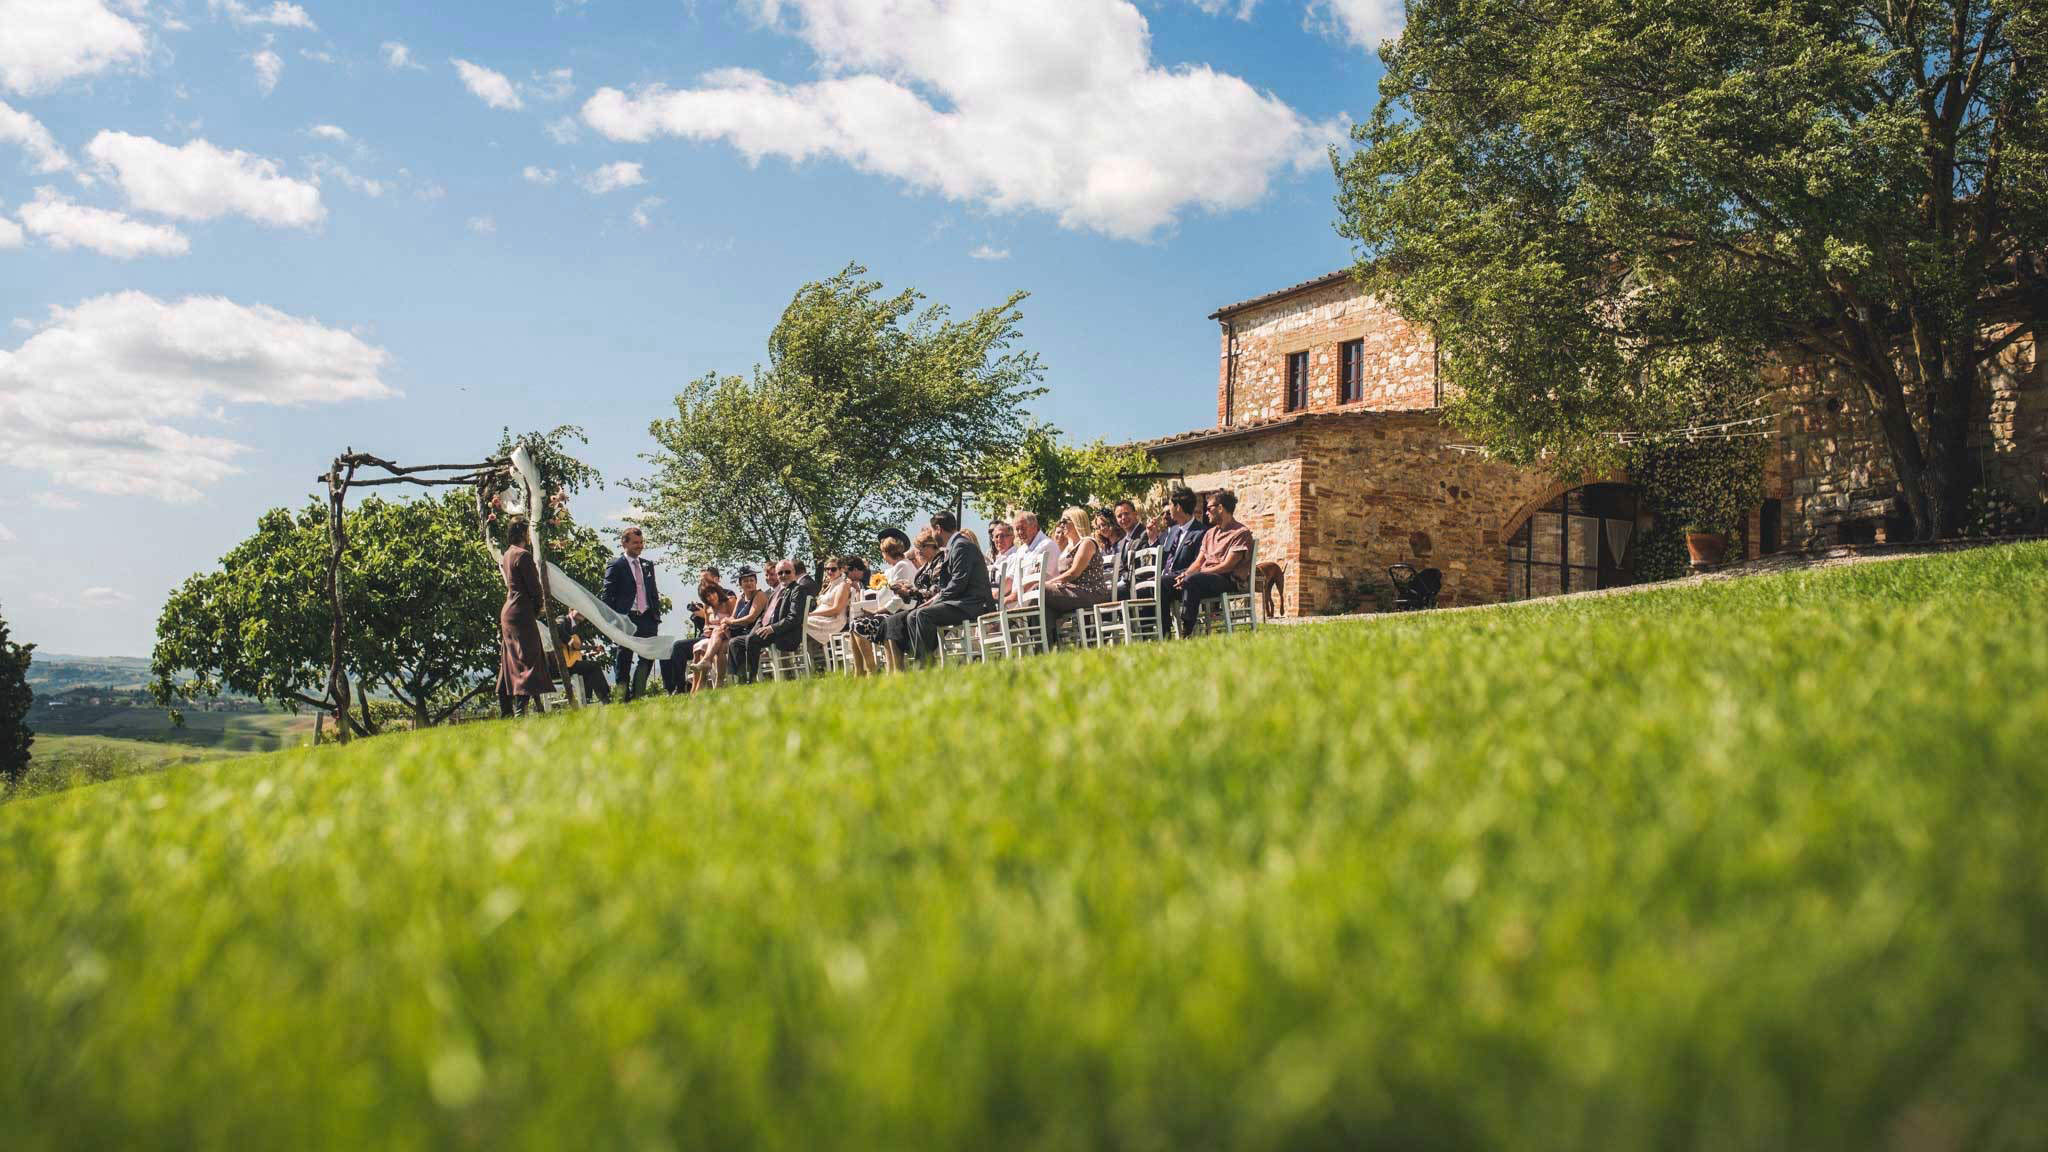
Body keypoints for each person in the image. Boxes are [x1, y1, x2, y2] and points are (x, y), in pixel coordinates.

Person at [907, 510, 997, 662]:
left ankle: (924, 665)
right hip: (960, 602)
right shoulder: (955, 545)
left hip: (973, 604)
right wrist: (936, 598)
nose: (933, 535)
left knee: (923, 615)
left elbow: (958, 583)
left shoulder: (962, 546)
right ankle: (924, 660)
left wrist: (936, 600)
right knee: (912, 616)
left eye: (933, 531)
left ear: (938, 529)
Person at [1174, 489, 1254, 637]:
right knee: (1166, 582)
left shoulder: (1241, 533)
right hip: (1205, 577)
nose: (1206, 513)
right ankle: (1163, 633)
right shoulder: (1210, 533)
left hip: (1227, 579)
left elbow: (1227, 566)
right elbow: (1198, 563)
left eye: (1209, 508)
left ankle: (1187, 631)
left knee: (1192, 580)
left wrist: (1193, 575)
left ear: (1220, 508)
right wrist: (1185, 574)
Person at [496, 518, 556, 716]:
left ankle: (506, 710)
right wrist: (538, 607)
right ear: (524, 533)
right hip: (521, 611)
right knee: (528, 658)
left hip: (508, 611)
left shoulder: (507, 554)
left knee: (510, 660)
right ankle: (520, 710)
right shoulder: (523, 555)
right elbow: (534, 588)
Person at [602, 526, 668, 701]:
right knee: (624, 657)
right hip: (626, 618)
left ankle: (638, 692)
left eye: (641, 543)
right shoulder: (615, 565)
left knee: (648, 656)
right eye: (635, 543)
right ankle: (623, 697)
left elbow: (652, 591)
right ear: (624, 543)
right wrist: (614, 619)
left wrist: (656, 614)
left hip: (648, 617)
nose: (639, 546)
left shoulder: (648, 564)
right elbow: (608, 594)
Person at [731, 560, 816, 681]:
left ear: (794, 572)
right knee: (735, 642)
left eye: (787, 572)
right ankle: (740, 678)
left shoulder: (798, 590)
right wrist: (757, 629)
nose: (783, 575)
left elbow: (794, 618)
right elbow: (764, 615)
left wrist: (772, 628)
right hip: (769, 631)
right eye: (780, 573)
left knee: (751, 639)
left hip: (786, 633)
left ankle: (751, 678)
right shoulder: (775, 592)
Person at [1042, 506, 1114, 633]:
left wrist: (1048, 583)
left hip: (1092, 592)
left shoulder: (1087, 543)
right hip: (1074, 591)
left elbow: (1074, 572)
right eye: (1061, 521)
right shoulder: (1067, 548)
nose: (1061, 524)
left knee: (1041, 591)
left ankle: (1041, 641)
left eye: (1065, 521)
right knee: (1046, 605)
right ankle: (1049, 643)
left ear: (1076, 521)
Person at [1159, 486, 1208, 628]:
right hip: (1166, 577)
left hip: (1183, 580)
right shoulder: (1172, 531)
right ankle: (1147, 632)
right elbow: (1164, 557)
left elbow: (1198, 564)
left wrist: (1182, 575)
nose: (1168, 509)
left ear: (1178, 507)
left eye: (1170, 505)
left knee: (1160, 583)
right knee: (1140, 587)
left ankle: (1165, 632)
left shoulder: (1201, 532)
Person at [687, 585, 739, 691]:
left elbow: (735, 618)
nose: (711, 597)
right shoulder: (707, 607)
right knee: (698, 647)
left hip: (729, 633)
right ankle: (697, 687)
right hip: (715, 638)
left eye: (712, 593)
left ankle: (712, 670)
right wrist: (706, 629)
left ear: (718, 592)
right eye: (707, 596)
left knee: (717, 635)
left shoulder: (729, 601)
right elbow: (706, 624)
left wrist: (725, 624)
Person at [553, 610, 612, 704]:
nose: (582, 611)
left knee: (587, 666)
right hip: (559, 666)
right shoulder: (563, 619)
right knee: (593, 666)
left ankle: (587, 699)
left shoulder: (576, 628)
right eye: (578, 608)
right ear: (571, 610)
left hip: (569, 664)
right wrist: (571, 642)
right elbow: (557, 628)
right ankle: (605, 698)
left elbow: (573, 653)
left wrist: (589, 652)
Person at [805, 555, 863, 649]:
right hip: (821, 618)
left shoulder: (843, 585)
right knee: (796, 623)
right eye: (827, 569)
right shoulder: (829, 585)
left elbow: (836, 609)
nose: (829, 572)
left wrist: (811, 614)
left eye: (833, 569)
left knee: (799, 623)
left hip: (833, 620)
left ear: (841, 570)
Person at [1006, 511, 1061, 604]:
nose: (1020, 532)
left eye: (1023, 528)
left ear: (1034, 527)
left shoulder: (1047, 545)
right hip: (1019, 599)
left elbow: (1035, 581)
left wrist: (1011, 598)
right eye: (1017, 529)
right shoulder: (1021, 550)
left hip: (1039, 600)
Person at [1109, 499, 1148, 599]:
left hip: (1140, 584)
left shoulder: (1145, 534)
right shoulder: (1122, 542)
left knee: (1107, 595)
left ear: (1135, 514)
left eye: (1126, 514)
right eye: (1119, 516)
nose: (1123, 518)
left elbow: (1143, 567)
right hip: (1125, 583)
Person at [985, 519, 1019, 599]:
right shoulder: (999, 557)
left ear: (1012, 537)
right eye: (996, 536)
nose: (999, 540)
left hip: (1004, 604)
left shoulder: (1015, 556)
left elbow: (1009, 583)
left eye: (1003, 536)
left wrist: (988, 599)